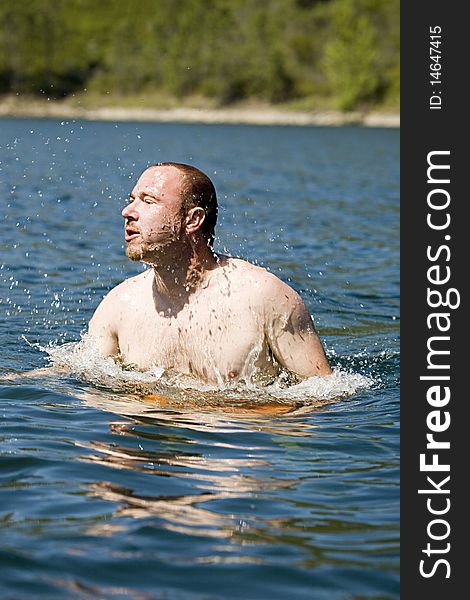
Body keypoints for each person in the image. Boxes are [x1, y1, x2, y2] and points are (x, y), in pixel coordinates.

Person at [88, 162, 331, 385]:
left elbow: (323, 397)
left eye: (148, 201)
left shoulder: (265, 298)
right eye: (132, 199)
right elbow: (85, 379)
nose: (127, 211)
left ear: (192, 219)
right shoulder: (118, 305)